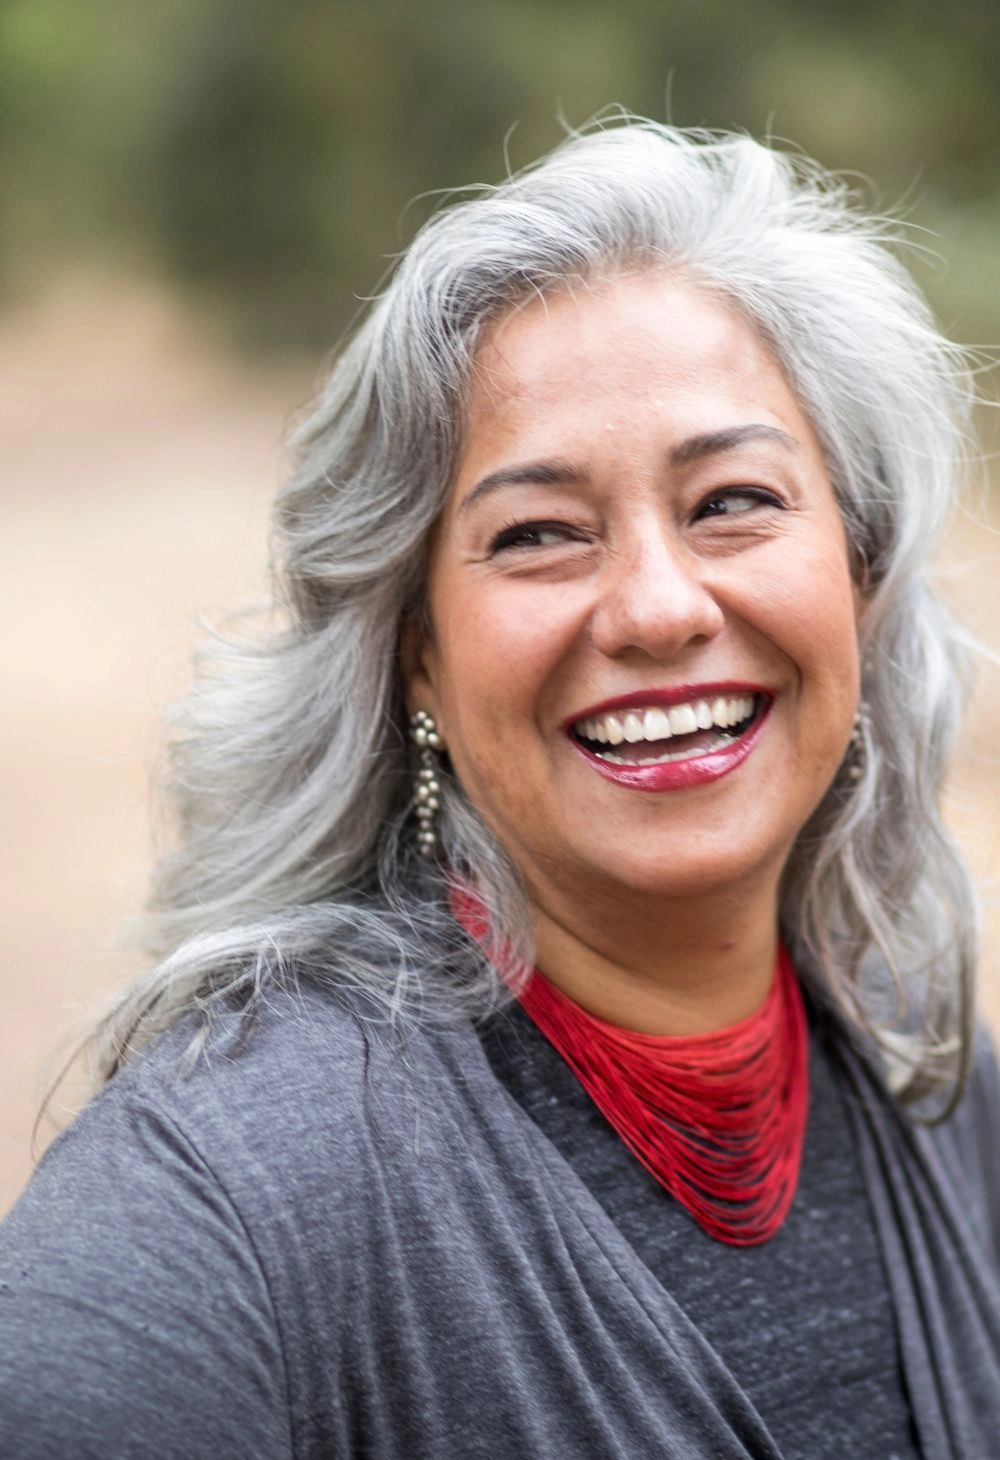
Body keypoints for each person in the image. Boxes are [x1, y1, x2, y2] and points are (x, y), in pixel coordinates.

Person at [1, 119, 999, 1459]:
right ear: (414, 653)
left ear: (861, 581)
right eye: (538, 534)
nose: (655, 606)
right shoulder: (225, 1194)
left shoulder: (930, 1080)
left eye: (733, 501)